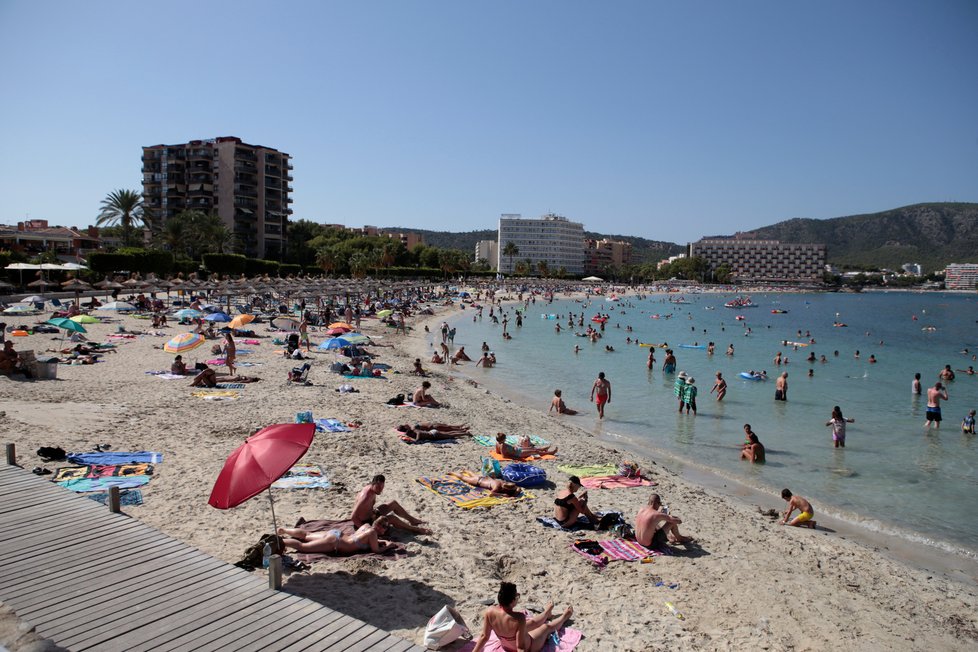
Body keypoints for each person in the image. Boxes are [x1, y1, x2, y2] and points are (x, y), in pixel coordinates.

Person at [472, 582, 573, 652]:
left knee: (532, 623)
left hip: (506, 645)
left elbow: (484, 637)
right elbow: (520, 648)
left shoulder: (489, 611)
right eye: (517, 596)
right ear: (512, 601)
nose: (517, 597)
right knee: (546, 628)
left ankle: (546, 613)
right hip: (530, 646)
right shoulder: (518, 618)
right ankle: (564, 616)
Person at [351, 474, 431, 534]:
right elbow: (353, 517)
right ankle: (415, 529)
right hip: (366, 523)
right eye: (378, 487)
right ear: (373, 484)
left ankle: (413, 520)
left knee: (393, 503)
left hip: (372, 515)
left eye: (382, 487)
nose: (380, 490)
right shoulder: (365, 497)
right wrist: (367, 529)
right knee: (392, 518)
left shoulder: (372, 489)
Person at [278, 517, 394, 555]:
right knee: (303, 546)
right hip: (336, 542)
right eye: (385, 527)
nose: (386, 529)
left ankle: (284, 530)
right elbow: (376, 550)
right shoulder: (373, 533)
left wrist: (381, 540)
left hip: (336, 534)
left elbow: (366, 539)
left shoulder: (366, 526)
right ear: (379, 527)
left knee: (307, 534)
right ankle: (280, 542)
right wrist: (389, 546)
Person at [448, 471, 520, 496]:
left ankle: (466, 470)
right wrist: (502, 495)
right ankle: (452, 473)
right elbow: (491, 494)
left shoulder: (504, 482)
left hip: (484, 478)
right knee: (463, 478)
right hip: (478, 482)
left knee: (473, 475)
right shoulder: (497, 487)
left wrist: (514, 494)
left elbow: (518, 488)